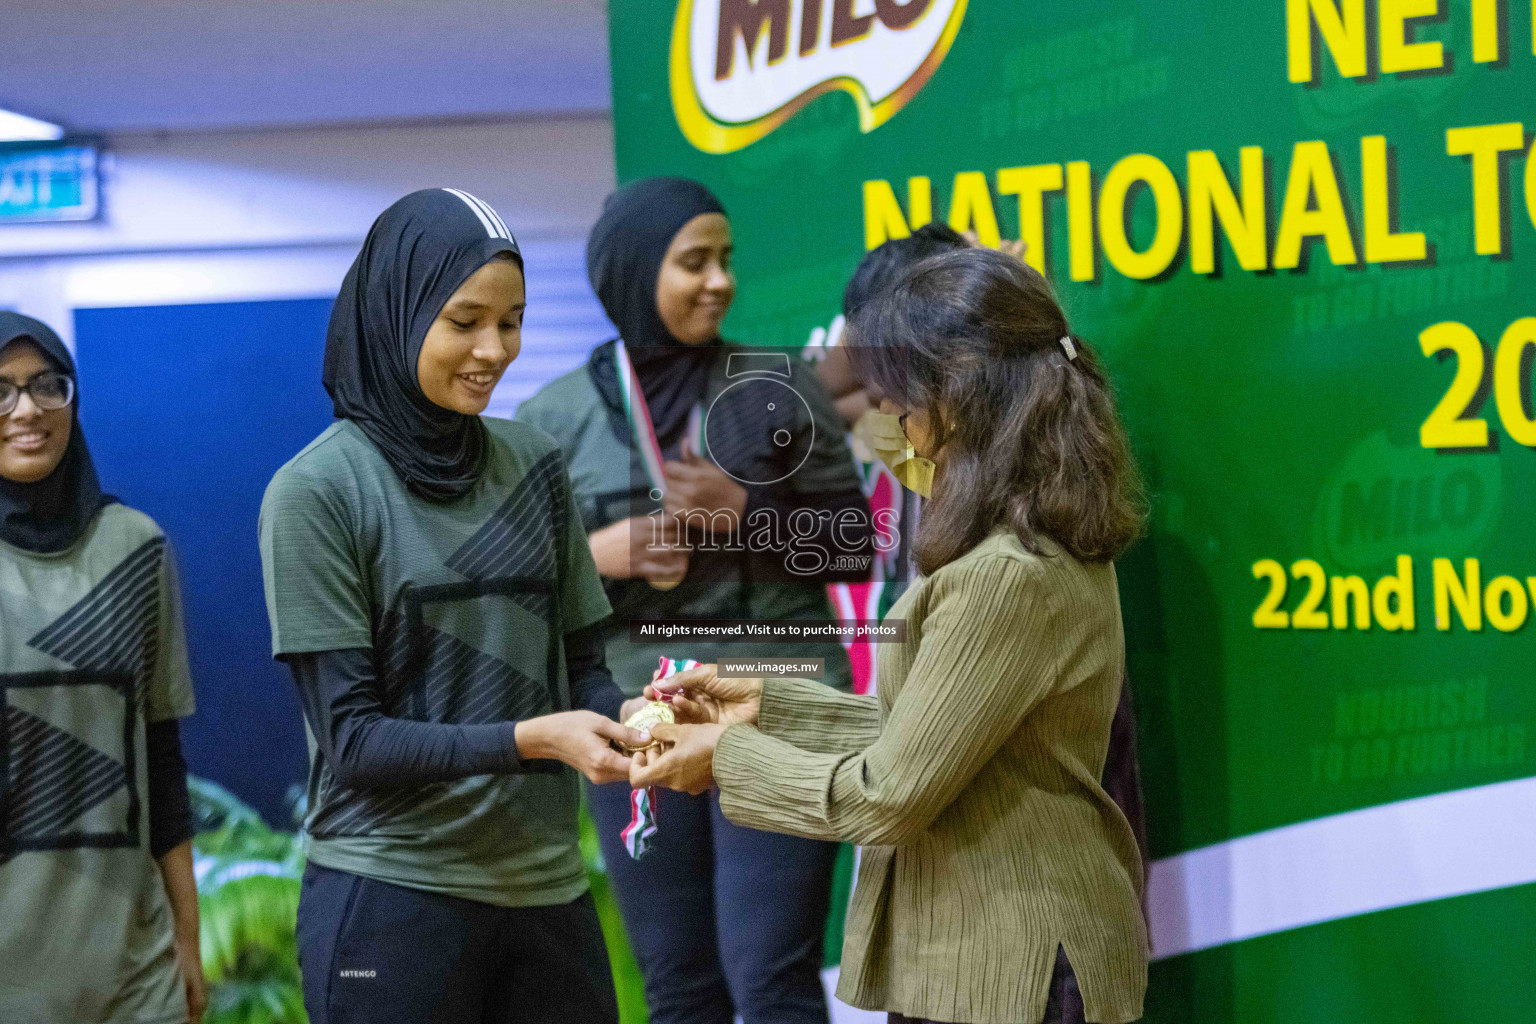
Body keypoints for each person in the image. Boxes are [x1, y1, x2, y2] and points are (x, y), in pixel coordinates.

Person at [632, 248, 1151, 1024]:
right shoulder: (1018, 543)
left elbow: (891, 795)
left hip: (1016, 966)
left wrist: (726, 758)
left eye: (902, 405)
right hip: (977, 955)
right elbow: (929, 736)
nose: (898, 431)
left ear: (961, 395)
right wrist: (763, 710)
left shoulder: (1006, 574)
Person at [258, 189, 648, 1024]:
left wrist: (640, 715)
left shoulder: (535, 464)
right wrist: (535, 739)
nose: (493, 349)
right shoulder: (319, 490)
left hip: (546, 891)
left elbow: (583, 674)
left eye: (510, 322)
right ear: (397, 314)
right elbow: (355, 741)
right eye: (464, 320)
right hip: (391, 897)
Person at [516, 176, 874, 1024]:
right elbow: (518, 592)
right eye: (694, 262)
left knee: (768, 977)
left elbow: (854, 542)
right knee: (678, 985)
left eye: (726, 260)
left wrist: (745, 515)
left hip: (778, 699)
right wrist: (597, 556)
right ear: (637, 274)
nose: (719, 280)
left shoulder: (780, 385)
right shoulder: (552, 418)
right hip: (639, 712)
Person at [0, 312, 205, 1023]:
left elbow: (161, 756)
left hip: (133, 965)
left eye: (46, 386)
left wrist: (187, 934)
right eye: (1, 392)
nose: (27, 410)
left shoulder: (135, 547)